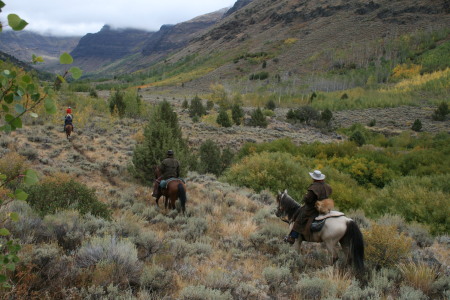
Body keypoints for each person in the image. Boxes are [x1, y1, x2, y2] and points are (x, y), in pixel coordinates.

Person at [284, 170, 332, 244]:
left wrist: (305, 196)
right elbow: (330, 192)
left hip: (313, 208)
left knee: (299, 219)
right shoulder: (327, 186)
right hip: (325, 206)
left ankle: (292, 237)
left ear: (314, 178)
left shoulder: (313, 188)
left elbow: (308, 199)